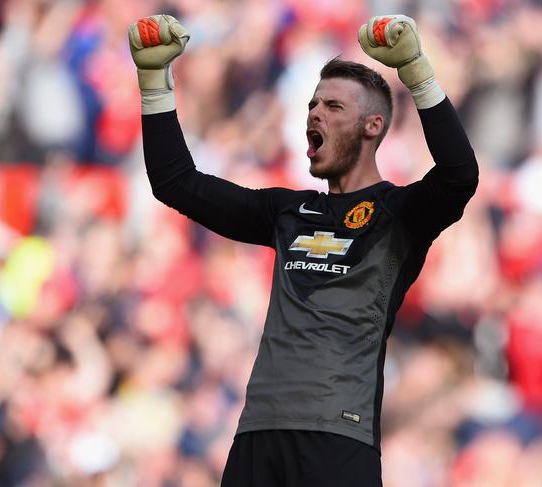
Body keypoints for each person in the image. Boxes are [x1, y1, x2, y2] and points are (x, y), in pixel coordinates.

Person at [128, 13, 478, 486]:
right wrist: (154, 82)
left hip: (338, 437)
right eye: (313, 104)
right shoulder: (286, 212)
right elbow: (176, 183)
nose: (315, 113)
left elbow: (459, 175)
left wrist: (416, 72)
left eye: (333, 106)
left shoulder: (400, 214)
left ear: (374, 125)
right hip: (258, 434)